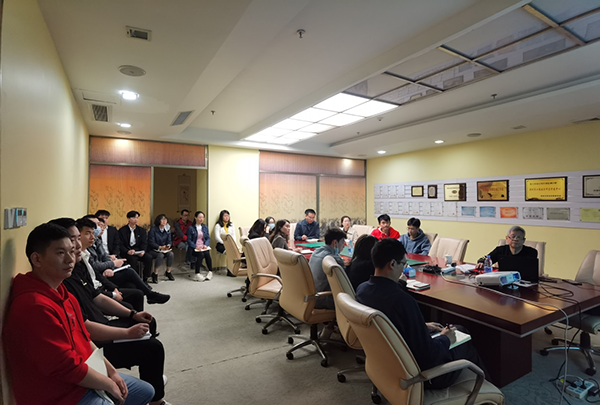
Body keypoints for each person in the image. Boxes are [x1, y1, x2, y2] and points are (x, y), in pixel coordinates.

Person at [3, 222, 154, 405]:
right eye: (60, 253)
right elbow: (64, 366)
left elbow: (84, 337)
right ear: (37, 259)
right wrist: (107, 383)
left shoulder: (63, 293)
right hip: (61, 394)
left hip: (84, 375)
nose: (70, 260)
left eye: (71, 251)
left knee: (146, 391)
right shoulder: (34, 306)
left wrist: (111, 371)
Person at [54, 218, 170, 405]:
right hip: (96, 343)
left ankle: (152, 376)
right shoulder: (62, 282)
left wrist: (132, 314)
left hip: (100, 327)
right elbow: (86, 331)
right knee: (153, 348)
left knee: (145, 320)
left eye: (77, 239)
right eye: (71, 241)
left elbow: (96, 297)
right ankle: (156, 399)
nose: (76, 245)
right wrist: (127, 333)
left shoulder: (78, 266)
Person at [356, 239, 487, 389]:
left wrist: (422, 326)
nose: (403, 269)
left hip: (386, 366)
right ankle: (488, 391)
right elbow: (428, 356)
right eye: (403, 264)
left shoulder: (362, 290)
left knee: (454, 330)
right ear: (392, 264)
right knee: (461, 334)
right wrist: (446, 338)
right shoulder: (402, 301)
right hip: (421, 376)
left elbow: (390, 325)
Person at [308, 228, 347, 310]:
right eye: (343, 242)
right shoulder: (334, 260)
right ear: (335, 242)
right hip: (322, 299)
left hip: (310, 295)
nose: (344, 246)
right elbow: (344, 282)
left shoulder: (316, 252)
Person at [118, 211, 154, 285]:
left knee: (149, 257)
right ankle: (135, 280)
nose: (136, 219)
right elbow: (120, 244)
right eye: (134, 217)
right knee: (132, 260)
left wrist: (143, 251)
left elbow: (144, 243)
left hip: (138, 251)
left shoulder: (141, 230)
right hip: (128, 251)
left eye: (137, 218)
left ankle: (145, 279)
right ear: (128, 219)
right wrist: (127, 251)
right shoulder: (122, 231)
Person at [148, 214, 175, 281]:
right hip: (154, 250)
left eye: (165, 219)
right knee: (160, 255)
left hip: (164, 249)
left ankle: (168, 272)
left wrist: (168, 245)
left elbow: (169, 240)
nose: (164, 221)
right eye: (162, 219)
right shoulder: (153, 230)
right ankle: (155, 273)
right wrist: (159, 247)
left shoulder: (167, 230)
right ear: (158, 221)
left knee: (171, 254)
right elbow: (151, 242)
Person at [187, 211, 213, 282]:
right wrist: (195, 246)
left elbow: (207, 238)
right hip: (194, 248)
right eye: (200, 217)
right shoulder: (191, 228)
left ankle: (210, 271)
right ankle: (197, 273)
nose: (201, 219)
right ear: (195, 218)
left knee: (207, 253)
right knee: (200, 254)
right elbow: (189, 240)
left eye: (203, 217)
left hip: (203, 247)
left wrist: (206, 245)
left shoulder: (205, 227)